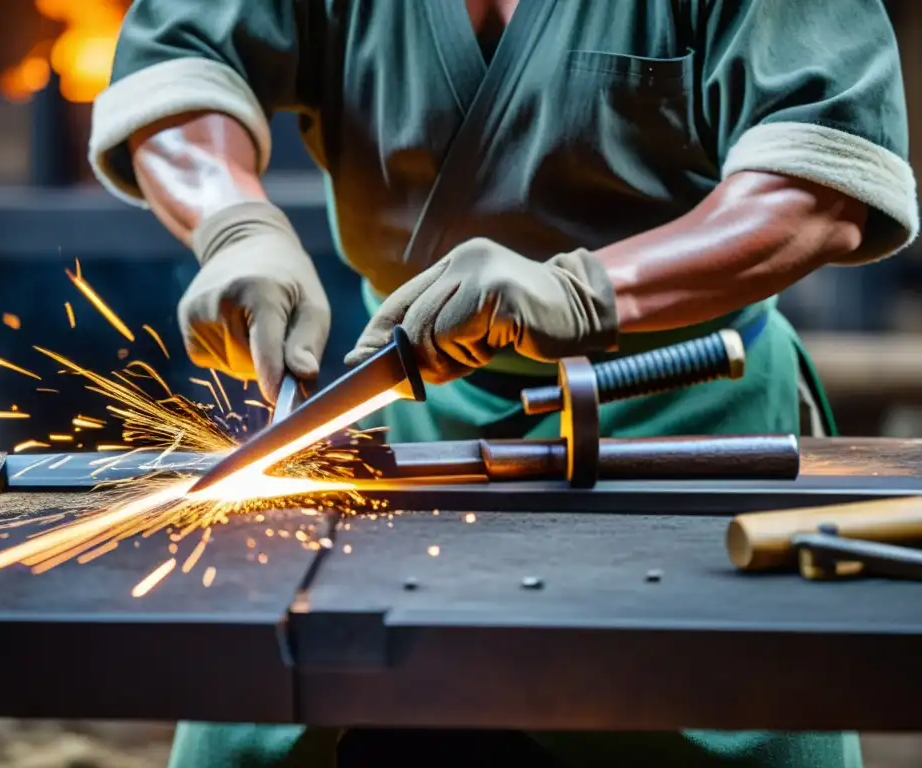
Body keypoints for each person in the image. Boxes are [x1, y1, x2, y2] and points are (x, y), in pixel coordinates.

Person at [88, 1, 917, 765]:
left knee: (739, 708)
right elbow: (181, 61)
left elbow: (821, 186)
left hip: (688, 413)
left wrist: (588, 289)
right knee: (255, 714)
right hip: (410, 415)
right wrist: (234, 224)